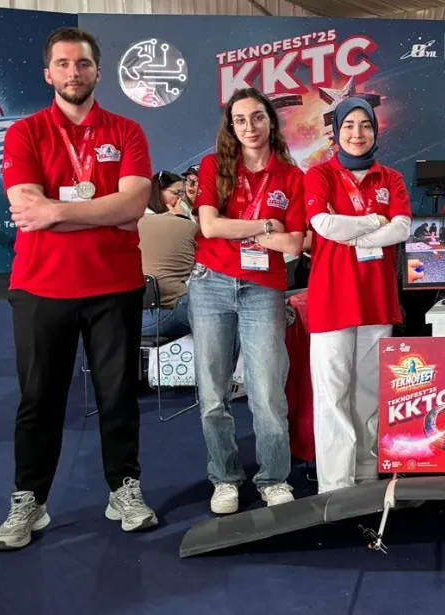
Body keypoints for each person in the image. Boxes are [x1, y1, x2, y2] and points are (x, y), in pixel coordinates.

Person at [0, 27, 158, 550]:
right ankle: (30, 499)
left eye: (82, 63)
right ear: (49, 74)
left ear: (97, 71)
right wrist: (103, 211)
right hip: (41, 286)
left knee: (118, 395)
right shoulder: (25, 133)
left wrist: (56, 211)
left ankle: (123, 488)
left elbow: (134, 204)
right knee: (39, 399)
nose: (73, 72)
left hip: (114, 286)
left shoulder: (127, 131)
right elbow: (26, 208)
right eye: (62, 64)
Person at [190, 87, 306, 514]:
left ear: (271, 121)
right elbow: (210, 227)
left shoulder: (291, 177)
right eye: (240, 120)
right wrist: (265, 225)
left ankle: (274, 478)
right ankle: (224, 477)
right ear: (231, 126)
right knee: (213, 393)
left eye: (257, 117)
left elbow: (293, 242)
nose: (249, 127)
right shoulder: (214, 166)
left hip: (262, 287)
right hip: (212, 282)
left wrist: (242, 227)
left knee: (267, 392)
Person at [304, 98, 412, 493]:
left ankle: (366, 474)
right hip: (332, 298)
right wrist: (373, 222)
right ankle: (335, 486)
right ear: (336, 131)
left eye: (364, 125)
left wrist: (354, 234)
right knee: (332, 396)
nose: (357, 133)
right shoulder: (319, 174)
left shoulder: (390, 178)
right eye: (348, 125)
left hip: (376, 298)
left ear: (374, 130)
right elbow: (323, 224)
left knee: (369, 392)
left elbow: (401, 228)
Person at [139, 171, 198, 340]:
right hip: (165, 316)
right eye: (177, 193)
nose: (180, 199)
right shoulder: (186, 226)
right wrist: (181, 218)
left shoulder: (131, 222)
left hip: (126, 318)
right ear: (158, 191)